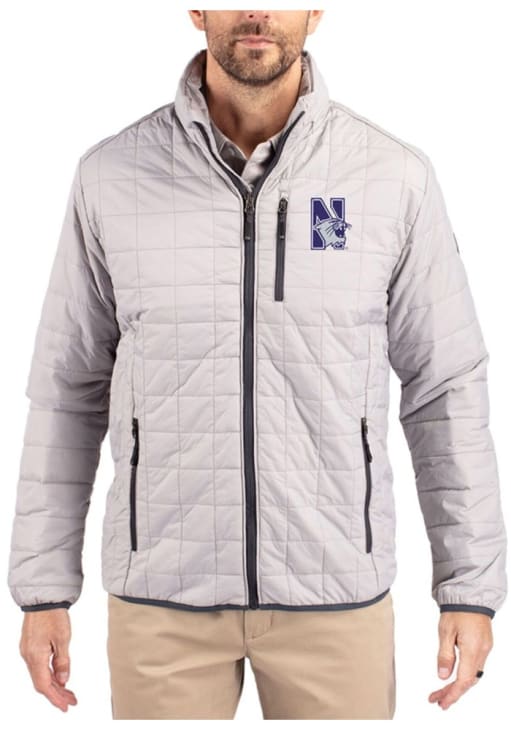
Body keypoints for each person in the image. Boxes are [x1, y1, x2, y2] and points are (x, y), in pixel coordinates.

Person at [7, 9, 507, 720]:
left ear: (315, 11)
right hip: (162, 602)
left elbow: (445, 388)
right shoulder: (112, 177)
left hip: (335, 596)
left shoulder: (392, 178)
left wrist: (469, 588)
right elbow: (69, 389)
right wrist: (43, 590)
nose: (256, 12)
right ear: (196, 9)